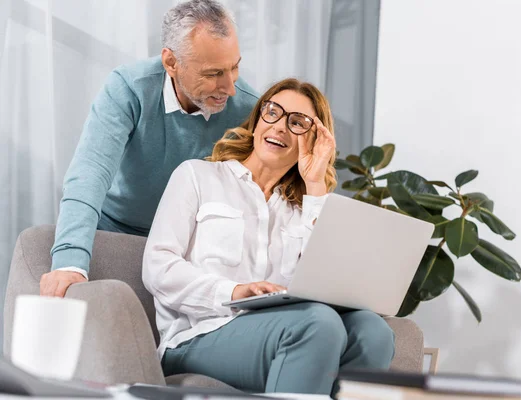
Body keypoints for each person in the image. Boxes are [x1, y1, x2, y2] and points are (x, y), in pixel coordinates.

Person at [142, 78, 395, 395]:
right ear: (258, 118)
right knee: (318, 324)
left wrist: (315, 184)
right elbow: (158, 266)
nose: (279, 127)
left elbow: (322, 284)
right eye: (273, 112)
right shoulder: (197, 176)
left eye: (297, 123)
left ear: (314, 140)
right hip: (197, 335)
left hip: (288, 329)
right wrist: (235, 291)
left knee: (374, 332)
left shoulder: (304, 209)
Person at [40, 0, 258, 297]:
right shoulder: (129, 87)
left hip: (190, 246)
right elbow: (90, 173)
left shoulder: (248, 107)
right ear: (170, 62)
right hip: (117, 229)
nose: (230, 87)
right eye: (212, 74)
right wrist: (69, 261)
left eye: (234, 67)